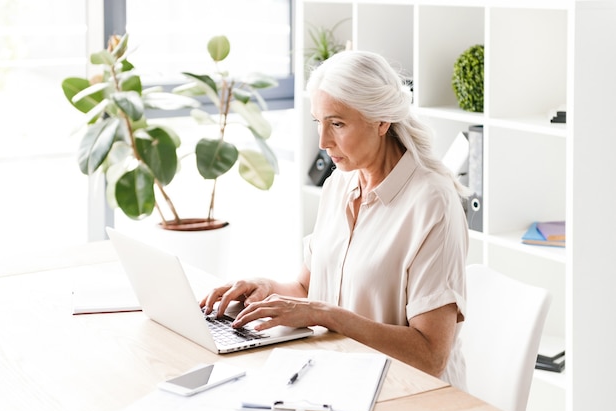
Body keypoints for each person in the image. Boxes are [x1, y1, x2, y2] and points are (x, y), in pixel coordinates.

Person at [201, 50, 470, 389]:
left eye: (337, 124)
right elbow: (306, 289)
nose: (323, 142)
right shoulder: (340, 184)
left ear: (382, 120)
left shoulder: (433, 202)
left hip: (407, 394)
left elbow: (430, 356)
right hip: (336, 381)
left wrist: (325, 314)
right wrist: (266, 290)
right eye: (319, 122)